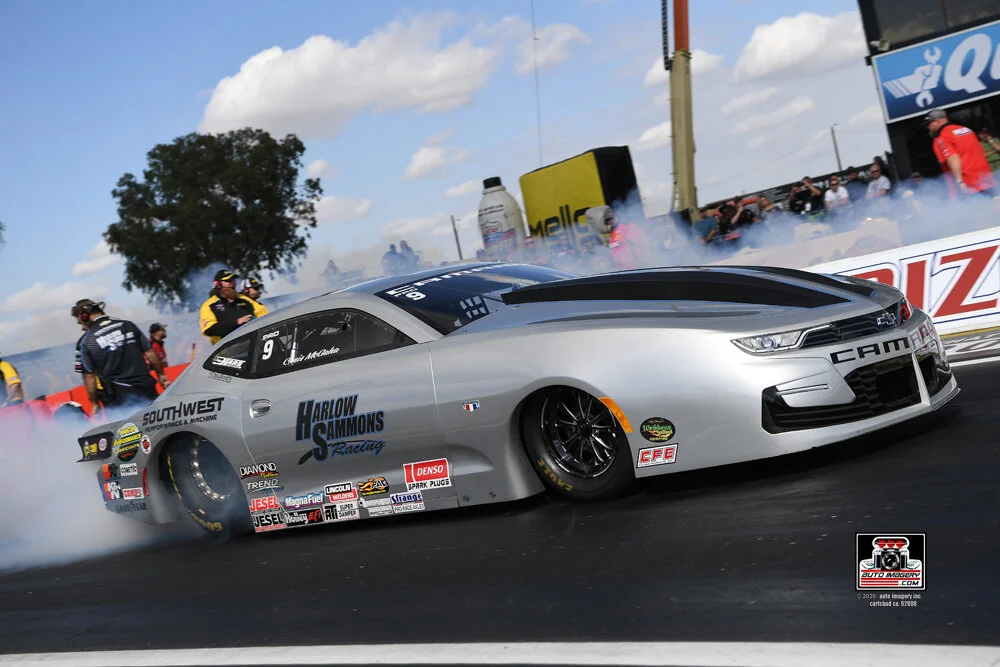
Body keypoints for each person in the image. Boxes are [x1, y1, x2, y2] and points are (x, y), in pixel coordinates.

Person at [74, 299, 169, 411]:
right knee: (156, 422)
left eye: (80, 321)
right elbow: (149, 352)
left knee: (129, 428)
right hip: (146, 386)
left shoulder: (86, 342)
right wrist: (161, 374)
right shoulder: (128, 325)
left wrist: (94, 403)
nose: (80, 325)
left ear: (84, 316)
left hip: (119, 396)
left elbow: (89, 376)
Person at [925, 109, 997, 198]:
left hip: (968, 186)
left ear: (937, 122)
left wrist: (959, 182)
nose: (928, 127)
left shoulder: (942, 137)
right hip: (986, 180)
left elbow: (952, 157)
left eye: (929, 124)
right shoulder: (966, 130)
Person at [200, 269, 269, 346]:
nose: (232, 283)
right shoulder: (209, 305)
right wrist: (236, 322)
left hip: (254, 347)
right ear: (218, 284)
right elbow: (209, 330)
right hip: (227, 352)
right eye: (228, 280)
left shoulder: (245, 299)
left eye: (233, 280)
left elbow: (265, 317)